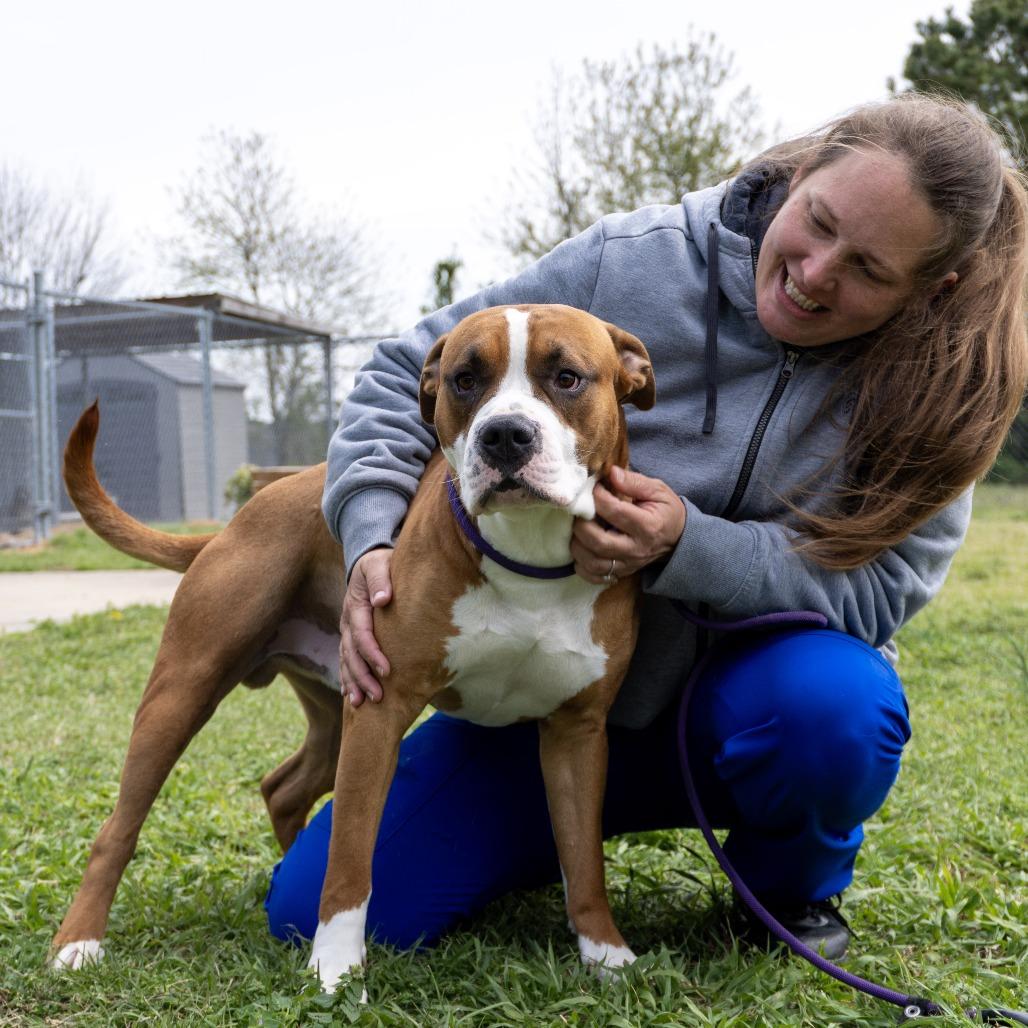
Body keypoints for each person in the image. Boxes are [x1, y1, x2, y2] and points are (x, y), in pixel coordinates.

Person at [264, 94, 1028, 961]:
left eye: (868, 270)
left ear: (936, 287)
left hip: (743, 720)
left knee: (836, 708)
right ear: (802, 173)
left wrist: (689, 549)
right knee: (304, 915)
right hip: (533, 706)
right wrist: (369, 536)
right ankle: (515, 839)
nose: (815, 272)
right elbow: (412, 369)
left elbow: (881, 590)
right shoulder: (635, 261)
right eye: (815, 223)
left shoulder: (946, 389)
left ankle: (786, 890)